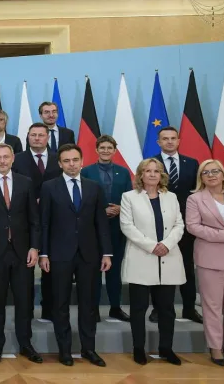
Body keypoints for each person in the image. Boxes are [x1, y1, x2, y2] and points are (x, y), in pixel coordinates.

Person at [39, 144, 111, 367]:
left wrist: (106, 252)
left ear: (82, 161)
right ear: (60, 163)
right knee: (60, 304)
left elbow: (101, 223)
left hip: (89, 254)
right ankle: (65, 350)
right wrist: (44, 253)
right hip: (60, 254)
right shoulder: (49, 187)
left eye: (75, 160)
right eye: (67, 161)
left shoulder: (94, 187)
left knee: (88, 304)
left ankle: (89, 349)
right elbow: (45, 223)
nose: (71, 164)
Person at [0, 143, 42, 365]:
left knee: (24, 301)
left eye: (6, 157)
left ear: (13, 158)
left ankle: (26, 344)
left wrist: (34, 247)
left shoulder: (26, 183)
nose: (2, 161)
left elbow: (34, 219)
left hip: (23, 252)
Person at [119, 158, 184, 366]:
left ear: (162, 175)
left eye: (157, 171)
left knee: (166, 309)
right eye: (148, 171)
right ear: (140, 175)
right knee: (138, 308)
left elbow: (179, 225)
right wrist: (151, 246)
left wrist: (166, 244)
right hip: (141, 257)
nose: (153, 174)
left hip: (168, 256)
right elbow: (127, 226)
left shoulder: (171, 197)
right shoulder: (129, 197)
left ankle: (166, 348)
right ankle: (139, 348)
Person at [185, 159, 224, 366]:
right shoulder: (195, 199)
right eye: (205, 172)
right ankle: (216, 348)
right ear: (201, 178)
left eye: (215, 171)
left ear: (223, 173)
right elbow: (193, 227)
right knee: (212, 306)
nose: (211, 175)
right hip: (210, 258)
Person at [149, 126, 202, 323]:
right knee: (158, 267)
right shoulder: (152, 164)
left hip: (187, 225)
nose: (169, 142)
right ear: (158, 142)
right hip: (159, 223)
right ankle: (158, 309)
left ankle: (189, 308)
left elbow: (197, 191)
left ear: (179, 141)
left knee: (187, 266)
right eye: (165, 138)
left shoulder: (192, 163)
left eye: (173, 138)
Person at [12, 122, 61, 320]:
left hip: (55, 221)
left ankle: (50, 309)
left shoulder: (59, 159)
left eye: (41, 135)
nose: (37, 138)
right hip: (24, 221)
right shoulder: (17, 159)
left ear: (48, 137)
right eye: (34, 135)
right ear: (28, 137)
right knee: (27, 269)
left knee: (52, 266)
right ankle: (27, 312)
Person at [81, 135, 132, 322]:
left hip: (116, 226)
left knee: (114, 269)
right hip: (93, 228)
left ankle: (115, 307)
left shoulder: (123, 172)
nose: (105, 151)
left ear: (114, 150)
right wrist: (101, 210)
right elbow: (83, 198)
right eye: (102, 147)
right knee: (93, 270)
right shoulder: (86, 171)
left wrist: (120, 208)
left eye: (109, 148)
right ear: (96, 150)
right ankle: (93, 308)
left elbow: (129, 197)